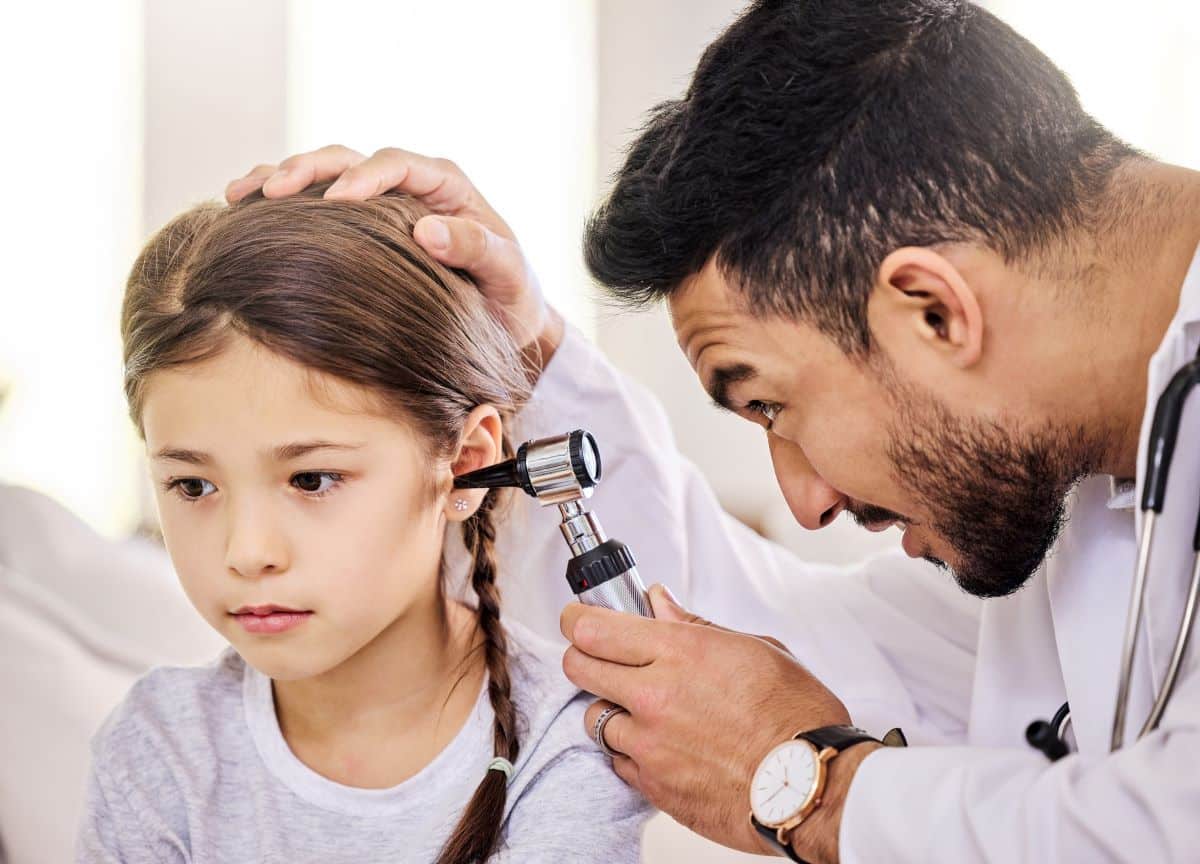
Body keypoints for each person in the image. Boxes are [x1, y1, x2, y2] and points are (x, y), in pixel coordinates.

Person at [227, 2, 1200, 862]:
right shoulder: (1069, 481)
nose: (807, 503)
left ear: (933, 313)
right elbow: (763, 658)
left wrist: (815, 792)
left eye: (770, 403)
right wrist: (520, 345)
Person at [76, 188, 649, 863]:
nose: (247, 551)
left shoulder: (566, 740)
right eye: (193, 485)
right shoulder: (160, 749)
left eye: (312, 480)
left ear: (464, 463)